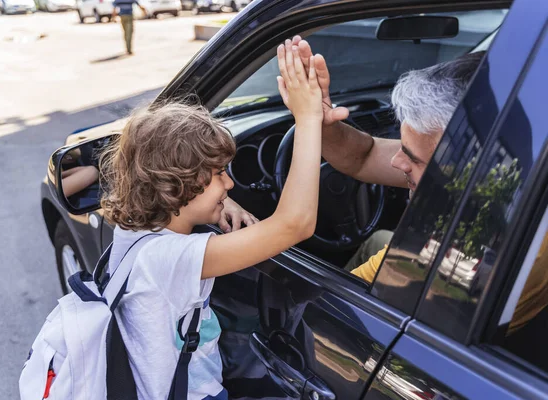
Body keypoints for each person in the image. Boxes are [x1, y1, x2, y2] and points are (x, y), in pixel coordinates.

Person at [98, 45, 323, 399]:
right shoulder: (172, 259)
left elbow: (182, 194)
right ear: (177, 185)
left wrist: (220, 203)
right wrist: (308, 117)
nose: (229, 183)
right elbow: (295, 224)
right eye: (219, 174)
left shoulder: (135, 231)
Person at [282, 36, 486, 283]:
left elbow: (324, 308)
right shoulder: (497, 190)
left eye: (414, 159)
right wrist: (322, 123)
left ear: (470, 166)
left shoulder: (432, 252)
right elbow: (364, 157)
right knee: (376, 239)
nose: (396, 162)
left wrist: (306, 122)